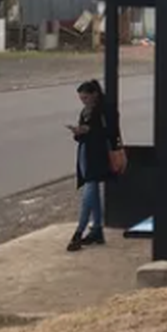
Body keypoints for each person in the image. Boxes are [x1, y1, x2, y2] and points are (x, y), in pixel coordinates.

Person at [67, 79, 122, 251]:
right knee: (92, 192)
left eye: (85, 97)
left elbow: (112, 132)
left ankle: (79, 231)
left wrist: (90, 131)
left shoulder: (106, 110)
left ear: (94, 95)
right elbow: (83, 135)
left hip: (100, 155)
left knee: (89, 193)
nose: (83, 101)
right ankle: (96, 229)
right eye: (81, 98)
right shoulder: (86, 111)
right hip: (86, 153)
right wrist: (78, 133)